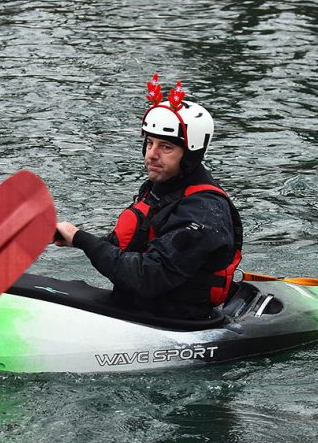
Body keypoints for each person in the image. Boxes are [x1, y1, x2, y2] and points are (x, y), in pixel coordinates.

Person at [53, 74, 243, 321]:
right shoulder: (164, 187)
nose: (151, 155)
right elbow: (133, 246)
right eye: (150, 143)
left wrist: (83, 240)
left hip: (177, 321)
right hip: (141, 308)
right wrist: (70, 238)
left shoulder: (203, 211)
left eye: (166, 147)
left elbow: (146, 277)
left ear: (190, 155)